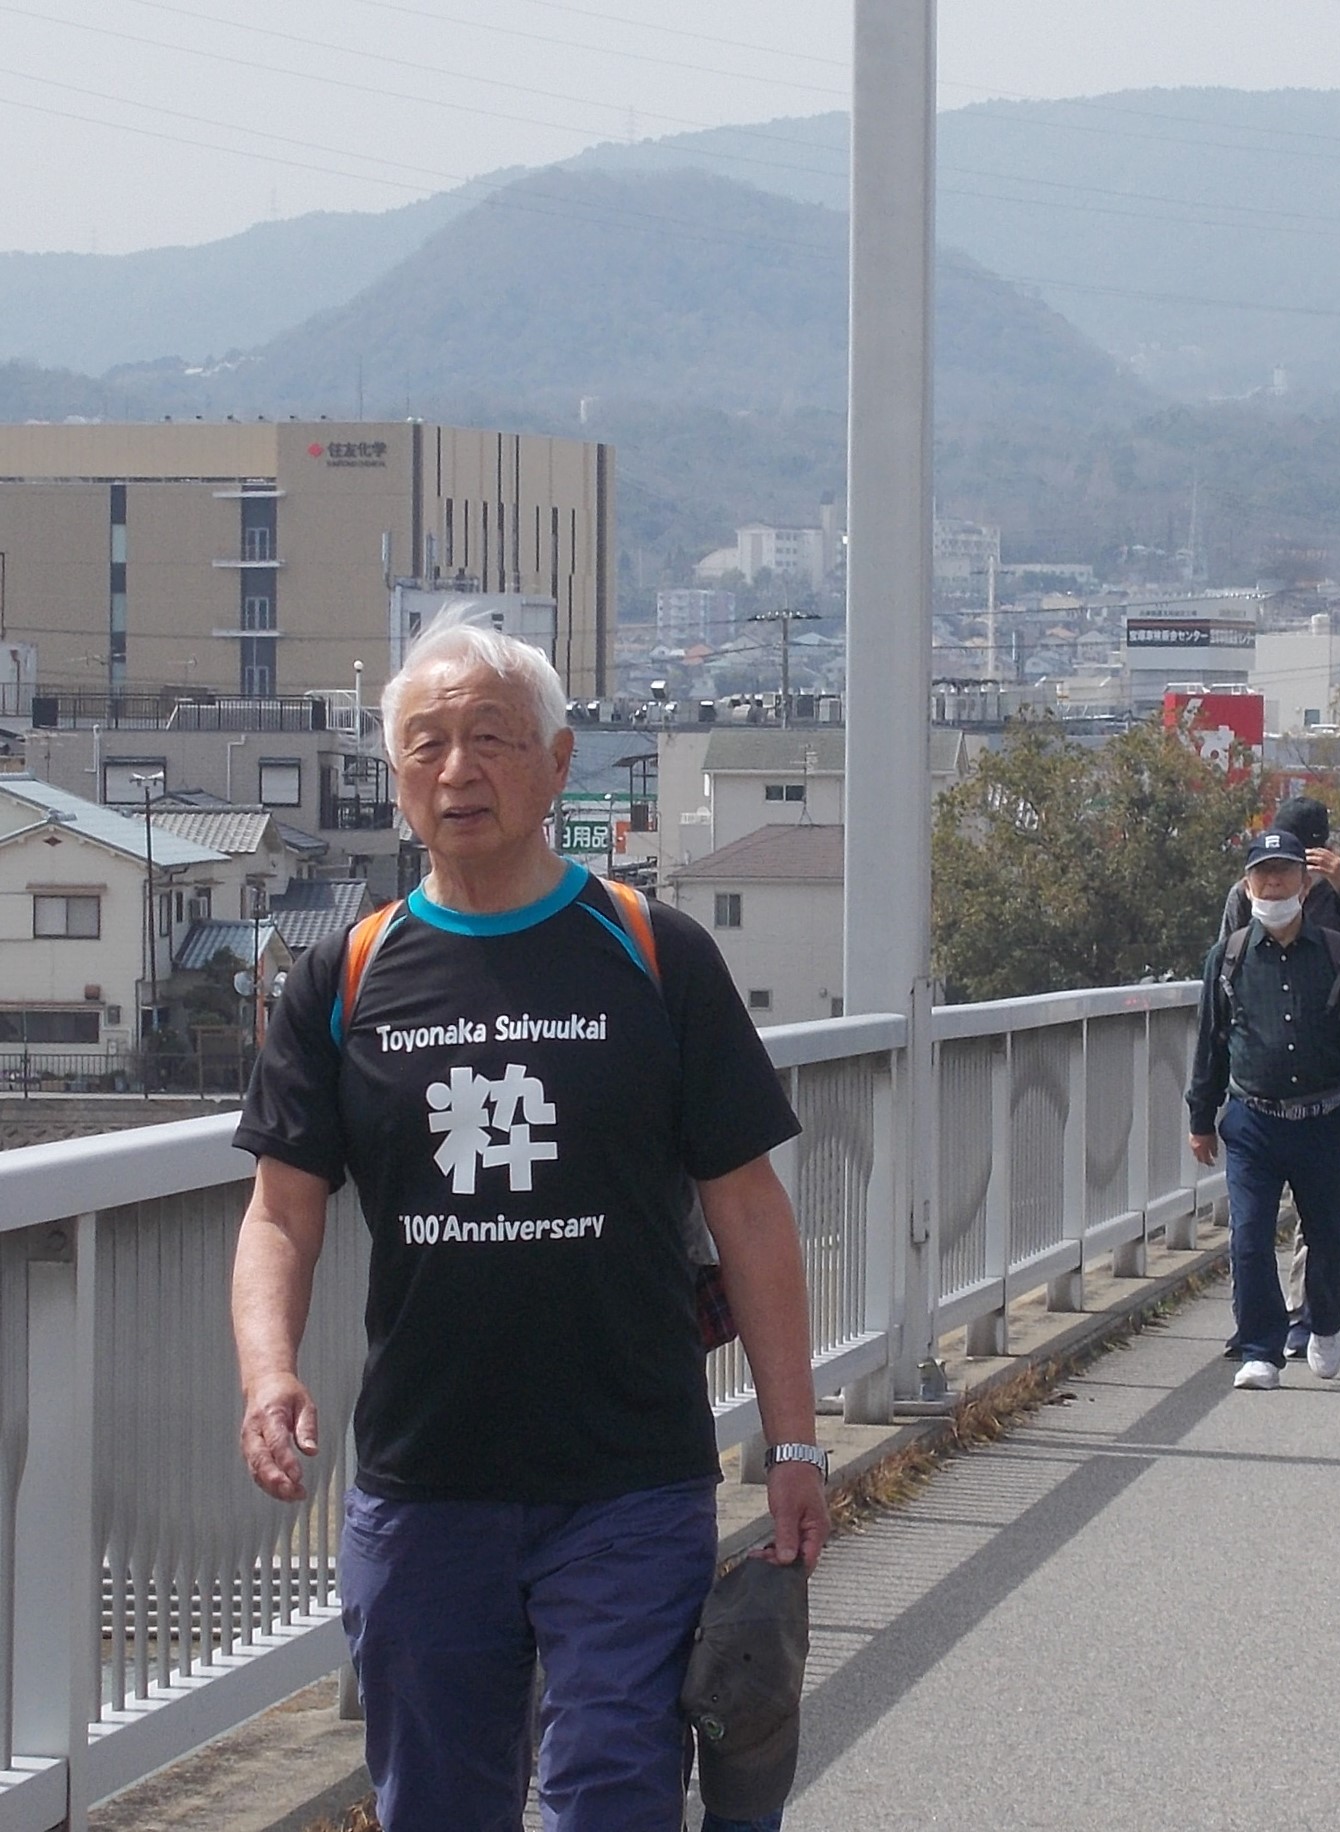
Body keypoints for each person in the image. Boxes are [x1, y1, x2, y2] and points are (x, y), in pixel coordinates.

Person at [229, 607, 828, 1832]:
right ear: (393, 777)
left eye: (492, 737)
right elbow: (281, 1211)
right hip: (423, 1480)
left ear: (558, 761)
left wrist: (795, 1443)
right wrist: (268, 1370)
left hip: (627, 1478)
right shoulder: (343, 976)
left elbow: (750, 1211)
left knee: (612, 1795)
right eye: (427, 744)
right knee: (435, 1804)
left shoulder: (655, 954)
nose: (458, 770)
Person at [1189, 828, 1340, 1390]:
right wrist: (1199, 1117)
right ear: (1248, 883)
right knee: (1249, 1237)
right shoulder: (1228, 958)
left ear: (1305, 885)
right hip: (1252, 1120)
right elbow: (1210, 1040)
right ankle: (1260, 1347)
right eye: (1263, 873)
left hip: (1324, 1120)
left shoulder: (1338, 953)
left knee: (1334, 1237)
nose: (1274, 882)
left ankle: (1325, 1323)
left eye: (1284, 872)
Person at [1216, 794, 1340, 971]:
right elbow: (1225, 963)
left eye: (1306, 858)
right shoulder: (1246, 893)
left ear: (1328, 851)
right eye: (1278, 863)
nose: (1277, 879)